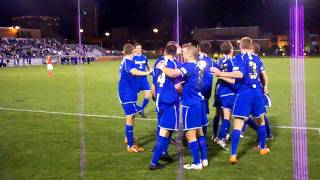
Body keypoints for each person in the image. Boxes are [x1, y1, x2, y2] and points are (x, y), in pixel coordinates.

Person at [211, 37, 270, 164]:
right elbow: (264, 76)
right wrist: (265, 86)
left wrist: (221, 73)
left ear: (241, 46)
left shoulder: (239, 58)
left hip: (244, 94)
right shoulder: (257, 58)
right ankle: (263, 148)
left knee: (238, 124)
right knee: (260, 121)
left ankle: (233, 155)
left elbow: (239, 75)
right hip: (257, 95)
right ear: (251, 46)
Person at [158, 46, 207, 170]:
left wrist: (162, 67)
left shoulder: (190, 66)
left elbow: (173, 73)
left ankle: (197, 163)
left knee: (190, 135)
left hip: (190, 104)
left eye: (184, 53)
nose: (182, 55)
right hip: (198, 101)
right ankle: (204, 159)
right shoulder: (198, 66)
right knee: (199, 132)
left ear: (190, 55)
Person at [149, 44, 181, 170]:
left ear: (165, 51)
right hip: (170, 101)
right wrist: (183, 94)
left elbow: (154, 83)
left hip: (159, 100)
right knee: (165, 131)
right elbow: (178, 86)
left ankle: (163, 151)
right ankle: (154, 162)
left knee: (165, 127)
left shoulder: (158, 62)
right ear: (175, 53)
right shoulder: (175, 64)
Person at [118, 43, 152, 153]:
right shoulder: (128, 61)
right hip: (127, 94)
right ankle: (130, 146)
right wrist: (147, 72)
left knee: (132, 117)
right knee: (130, 117)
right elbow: (133, 71)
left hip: (128, 92)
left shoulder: (126, 61)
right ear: (133, 52)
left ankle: (128, 139)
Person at [214, 41, 236, 150]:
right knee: (227, 117)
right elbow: (234, 80)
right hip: (229, 91)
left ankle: (224, 135)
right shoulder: (233, 62)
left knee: (224, 116)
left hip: (220, 91)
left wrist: (220, 76)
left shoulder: (220, 61)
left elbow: (217, 75)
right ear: (231, 49)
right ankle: (221, 138)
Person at [198, 41, 218, 136]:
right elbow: (220, 70)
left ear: (199, 49)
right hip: (205, 90)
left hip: (194, 90)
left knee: (193, 113)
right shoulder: (210, 61)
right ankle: (203, 136)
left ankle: (190, 136)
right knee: (203, 114)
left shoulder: (194, 58)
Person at [133, 43, 151, 118]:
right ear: (135, 49)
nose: (139, 49)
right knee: (133, 98)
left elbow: (147, 65)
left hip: (144, 79)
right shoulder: (132, 58)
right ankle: (137, 109)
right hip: (136, 80)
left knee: (148, 95)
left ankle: (141, 109)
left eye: (140, 48)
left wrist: (150, 71)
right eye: (138, 48)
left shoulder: (144, 57)